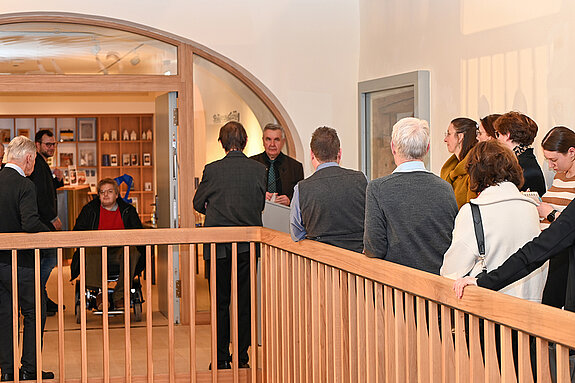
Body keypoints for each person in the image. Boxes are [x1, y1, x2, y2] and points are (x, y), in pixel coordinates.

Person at [193, 121, 266, 370]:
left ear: (222, 143)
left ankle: (221, 357)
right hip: (247, 244)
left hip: (218, 246)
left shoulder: (212, 170)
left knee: (220, 302)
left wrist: (211, 206)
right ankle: (243, 358)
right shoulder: (258, 170)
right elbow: (260, 205)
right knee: (244, 301)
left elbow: (197, 202)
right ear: (244, 141)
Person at [441, 141, 548, 302]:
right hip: (532, 306)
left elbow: (452, 271)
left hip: (492, 310)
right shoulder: (531, 208)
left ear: (474, 172)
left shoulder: (474, 211)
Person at [364, 117, 458, 274]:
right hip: (437, 285)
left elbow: (374, 249)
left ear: (393, 147)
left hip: (396, 286)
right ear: (427, 148)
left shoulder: (378, 189)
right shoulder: (445, 188)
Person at [0, 136, 53, 381]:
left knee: (5, 315)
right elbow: (30, 223)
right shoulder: (25, 185)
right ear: (29, 158)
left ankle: (8, 371)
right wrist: (49, 232)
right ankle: (29, 369)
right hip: (21, 263)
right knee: (33, 311)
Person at [289, 126, 367, 252]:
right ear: (339, 153)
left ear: (312, 154)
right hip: (357, 262)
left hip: (320, 264)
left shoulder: (301, 188)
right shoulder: (361, 179)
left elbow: (296, 233)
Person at [70, 178, 143, 310]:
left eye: (110, 191)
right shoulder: (89, 210)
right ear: (98, 195)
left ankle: (120, 295)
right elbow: (77, 232)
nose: (105, 195)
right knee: (92, 249)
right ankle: (100, 294)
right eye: (102, 192)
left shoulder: (128, 210)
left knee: (132, 251)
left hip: (120, 251)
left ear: (116, 194)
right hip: (97, 252)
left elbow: (138, 234)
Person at [534, 126, 575, 308]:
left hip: (565, 256)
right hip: (550, 250)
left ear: (571, 152)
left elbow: (570, 225)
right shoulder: (560, 176)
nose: (550, 166)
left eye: (554, 160)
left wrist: (550, 214)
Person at [29, 129, 64, 316]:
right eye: (48, 144)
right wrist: (52, 220)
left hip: (44, 222)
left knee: (47, 259)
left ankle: (40, 296)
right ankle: (34, 293)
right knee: (49, 259)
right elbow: (40, 196)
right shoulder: (37, 164)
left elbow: (47, 188)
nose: (52, 147)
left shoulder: (42, 164)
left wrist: (58, 181)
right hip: (42, 224)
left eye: (53, 144)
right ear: (37, 145)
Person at [494, 111, 546, 197]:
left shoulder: (521, 165)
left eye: (498, 134)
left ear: (507, 135)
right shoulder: (522, 159)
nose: (497, 139)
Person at [250, 123, 304, 206]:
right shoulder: (251, 164)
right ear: (263, 141)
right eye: (268, 139)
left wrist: (290, 201)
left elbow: (301, 198)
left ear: (283, 142)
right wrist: (259, 196)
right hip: (256, 216)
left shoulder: (295, 167)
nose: (272, 144)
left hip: (285, 215)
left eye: (276, 139)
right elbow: (244, 193)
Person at [441, 117, 479, 208]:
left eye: (449, 134)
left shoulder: (474, 170)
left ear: (460, 137)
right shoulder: (449, 168)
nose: (445, 139)